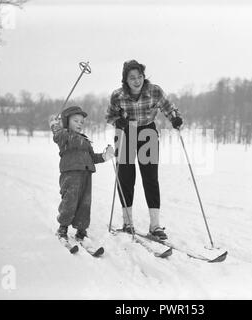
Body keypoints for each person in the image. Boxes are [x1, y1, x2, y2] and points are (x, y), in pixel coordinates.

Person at [106, 60, 183, 240]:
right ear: (125, 80)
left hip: (147, 131)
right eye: (132, 78)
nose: (137, 81)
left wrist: (175, 119)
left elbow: (169, 108)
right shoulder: (117, 95)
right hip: (126, 132)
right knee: (126, 176)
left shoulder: (154, 91)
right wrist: (118, 121)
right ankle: (127, 222)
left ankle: (155, 226)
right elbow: (109, 115)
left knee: (150, 177)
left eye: (139, 76)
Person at [49, 106, 115, 241]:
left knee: (85, 202)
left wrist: (104, 156)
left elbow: (92, 158)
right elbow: (57, 136)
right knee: (70, 201)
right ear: (66, 121)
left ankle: (81, 229)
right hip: (70, 174)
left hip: (86, 174)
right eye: (76, 121)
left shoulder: (85, 140)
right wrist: (56, 126)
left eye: (81, 122)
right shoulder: (65, 136)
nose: (79, 124)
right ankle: (63, 227)